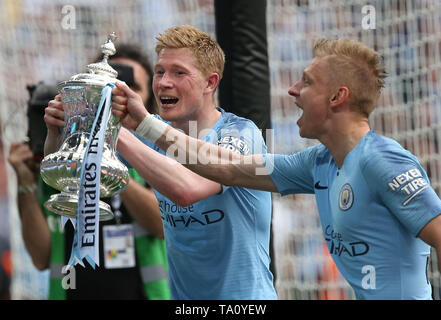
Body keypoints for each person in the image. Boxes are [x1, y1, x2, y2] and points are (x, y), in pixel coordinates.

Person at [111, 38, 441, 300]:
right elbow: (227, 169)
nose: (293, 90)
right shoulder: (317, 163)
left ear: (337, 97)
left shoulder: (383, 159)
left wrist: (135, 128)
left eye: (307, 82)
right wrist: (137, 126)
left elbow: (189, 188)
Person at [47, 25, 277, 300]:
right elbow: (75, 170)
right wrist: (62, 130)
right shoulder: (149, 131)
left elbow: (186, 190)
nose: (163, 82)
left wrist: (109, 129)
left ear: (210, 83)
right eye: (160, 72)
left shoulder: (242, 133)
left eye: (179, 73)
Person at [8, 44, 170, 300]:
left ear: (146, 99)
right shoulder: (64, 158)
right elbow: (41, 258)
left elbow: (162, 226)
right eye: (109, 88)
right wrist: (25, 183)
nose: (118, 95)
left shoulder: (158, 151)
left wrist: (105, 160)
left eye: (131, 87)